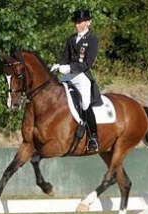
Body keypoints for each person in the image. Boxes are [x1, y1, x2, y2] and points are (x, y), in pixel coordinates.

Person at [51, 9, 102, 152]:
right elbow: (64, 59)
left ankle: (93, 138)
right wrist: (59, 66)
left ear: (88, 22)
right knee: (54, 94)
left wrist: (69, 68)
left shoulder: (92, 39)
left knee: (85, 103)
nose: (77, 25)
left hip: (82, 76)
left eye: (80, 22)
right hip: (68, 75)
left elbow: (88, 63)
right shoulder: (71, 39)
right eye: (76, 22)